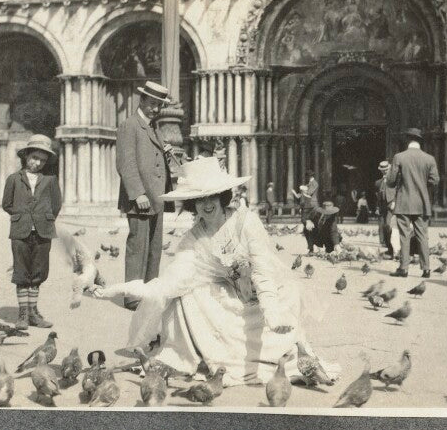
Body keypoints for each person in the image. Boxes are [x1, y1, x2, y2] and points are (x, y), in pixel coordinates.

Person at [91, 157, 338, 387]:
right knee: (186, 298)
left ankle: (291, 351)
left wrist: (271, 311)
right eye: (199, 199)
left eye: (212, 197)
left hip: (269, 293)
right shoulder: (193, 239)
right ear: (192, 204)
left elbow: (263, 269)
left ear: (222, 197)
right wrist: (114, 290)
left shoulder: (246, 221)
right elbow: (169, 283)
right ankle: (210, 356)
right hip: (231, 298)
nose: (207, 205)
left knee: (289, 295)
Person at [116, 81, 173, 311]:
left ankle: (148, 292)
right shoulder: (130, 125)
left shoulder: (153, 128)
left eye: (159, 106)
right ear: (142, 101)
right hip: (140, 198)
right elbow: (125, 162)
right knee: (137, 247)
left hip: (157, 198)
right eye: (152, 104)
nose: (155, 109)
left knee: (154, 248)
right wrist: (137, 193)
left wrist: (165, 151)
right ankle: (132, 296)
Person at [2, 134, 63, 330]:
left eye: (42, 160)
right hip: (20, 232)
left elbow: (56, 205)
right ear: (26, 156)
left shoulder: (50, 180)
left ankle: (34, 313)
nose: (37, 163)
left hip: (43, 232)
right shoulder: (14, 179)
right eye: (34, 158)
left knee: (38, 272)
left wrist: (42, 218)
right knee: (21, 272)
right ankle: (22, 314)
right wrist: (23, 216)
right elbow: (7, 204)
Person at [387, 128, 439, 278]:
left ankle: (404, 268)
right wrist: (422, 185)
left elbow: (390, 181)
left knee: (404, 235)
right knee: (423, 235)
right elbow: (435, 180)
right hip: (422, 202)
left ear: (407, 140)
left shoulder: (399, 157)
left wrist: (400, 181)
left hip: (404, 201)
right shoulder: (429, 158)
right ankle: (426, 268)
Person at [374, 160, 395, 258]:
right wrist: (377, 207)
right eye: (383, 170)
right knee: (382, 226)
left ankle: (392, 248)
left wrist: (394, 202)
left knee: (388, 225)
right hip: (382, 207)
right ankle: (387, 247)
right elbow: (377, 197)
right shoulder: (378, 183)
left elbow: (399, 192)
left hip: (391, 206)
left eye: (386, 169)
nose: (385, 171)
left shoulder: (394, 181)